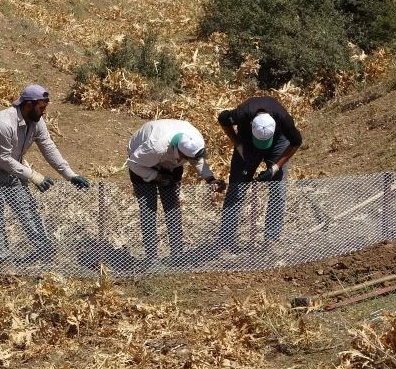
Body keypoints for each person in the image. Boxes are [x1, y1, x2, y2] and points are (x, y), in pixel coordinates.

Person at [0, 84, 90, 264]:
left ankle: (45, 251)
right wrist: (33, 176)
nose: (44, 112)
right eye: (41, 107)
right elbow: (3, 159)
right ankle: (0, 258)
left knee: (27, 207)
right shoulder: (3, 124)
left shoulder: (37, 122)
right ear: (28, 104)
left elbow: (48, 148)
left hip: (13, 166)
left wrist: (70, 175)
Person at [127, 119, 226, 267]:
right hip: (141, 163)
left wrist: (210, 179)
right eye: (186, 158)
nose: (189, 160)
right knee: (148, 209)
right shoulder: (155, 146)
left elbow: (197, 160)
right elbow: (133, 163)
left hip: (170, 164)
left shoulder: (194, 140)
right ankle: (151, 259)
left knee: (172, 207)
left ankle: (177, 255)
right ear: (179, 152)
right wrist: (158, 177)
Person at [216, 95, 302, 251]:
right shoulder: (241, 113)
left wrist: (275, 168)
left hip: (277, 143)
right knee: (237, 187)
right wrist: (239, 145)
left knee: (278, 189)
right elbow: (222, 119)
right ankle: (226, 241)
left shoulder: (283, 118)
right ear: (251, 125)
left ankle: (271, 239)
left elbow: (296, 142)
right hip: (248, 144)